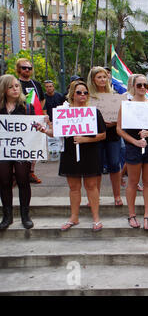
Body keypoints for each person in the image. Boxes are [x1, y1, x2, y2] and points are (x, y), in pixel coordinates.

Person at [36, 80, 106, 231]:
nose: (82, 95)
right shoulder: (63, 112)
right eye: (79, 92)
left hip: (89, 153)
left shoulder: (94, 112)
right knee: (74, 187)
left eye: (85, 93)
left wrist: (85, 139)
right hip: (70, 152)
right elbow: (56, 132)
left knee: (91, 186)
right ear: (72, 94)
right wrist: (44, 131)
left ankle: (96, 218)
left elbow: (102, 135)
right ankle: (74, 217)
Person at [117, 74, 148, 230]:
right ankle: (131, 215)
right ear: (133, 86)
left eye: (145, 85)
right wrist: (134, 141)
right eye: (139, 85)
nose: (143, 88)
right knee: (132, 181)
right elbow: (119, 129)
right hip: (133, 147)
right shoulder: (126, 105)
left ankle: (147, 215)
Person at [0, 75, 35, 230]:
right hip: (3, 150)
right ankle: (7, 216)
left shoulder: (27, 107)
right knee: (4, 181)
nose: (15, 89)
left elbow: (34, 129)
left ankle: (25, 215)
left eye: (17, 86)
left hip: (22, 149)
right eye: (11, 87)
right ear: (4, 89)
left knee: (23, 180)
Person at [87, 66, 123, 206]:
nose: (102, 79)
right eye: (99, 77)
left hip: (113, 134)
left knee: (115, 164)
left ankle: (117, 196)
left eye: (104, 77)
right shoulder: (88, 97)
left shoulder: (115, 95)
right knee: (97, 166)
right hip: (95, 135)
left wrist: (114, 122)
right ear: (93, 79)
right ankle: (96, 197)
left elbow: (121, 116)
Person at [16, 58, 44, 184]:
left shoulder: (36, 84)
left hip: (33, 120)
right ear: (18, 69)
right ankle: (14, 174)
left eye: (29, 68)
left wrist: (38, 113)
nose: (27, 70)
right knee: (18, 146)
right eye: (24, 67)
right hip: (18, 121)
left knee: (33, 146)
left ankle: (31, 172)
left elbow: (42, 99)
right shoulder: (15, 83)